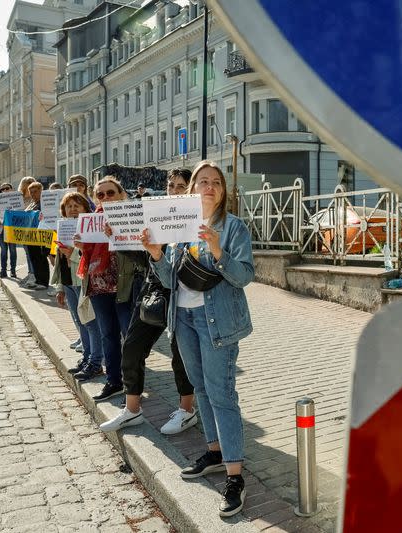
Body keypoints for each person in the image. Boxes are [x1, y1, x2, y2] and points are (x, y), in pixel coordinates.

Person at [143, 160, 254, 517]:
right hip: (185, 319)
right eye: (202, 181)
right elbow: (168, 277)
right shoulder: (180, 224)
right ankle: (215, 452)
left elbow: (244, 276)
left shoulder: (233, 227)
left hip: (217, 321)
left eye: (216, 183)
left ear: (223, 191)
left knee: (222, 394)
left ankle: (235, 475)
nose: (209, 187)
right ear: (191, 189)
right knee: (201, 387)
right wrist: (157, 253)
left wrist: (219, 251)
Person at [100, 168, 197, 435]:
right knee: (132, 347)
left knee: (181, 355)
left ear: (190, 190)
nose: (174, 191)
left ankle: (187, 410)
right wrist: (118, 238)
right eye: (171, 186)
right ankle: (132, 411)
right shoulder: (155, 215)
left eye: (180, 187)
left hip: (184, 291)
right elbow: (145, 261)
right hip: (154, 289)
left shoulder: (195, 218)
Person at [75, 176, 145, 400]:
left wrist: (118, 236)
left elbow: (141, 253)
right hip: (98, 287)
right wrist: (80, 246)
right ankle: (113, 381)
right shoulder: (91, 220)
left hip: (125, 286)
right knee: (108, 336)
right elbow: (87, 256)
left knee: (130, 339)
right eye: (101, 194)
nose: (105, 197)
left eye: (110, 192)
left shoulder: (132, 216)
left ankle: (132, 387)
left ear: (121, 194)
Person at [51, 192, 103, 381]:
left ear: (85, 209)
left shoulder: (90, 230)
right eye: (68, 206)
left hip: (83, 282)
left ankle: (96, 362)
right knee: (79, 322)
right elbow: (58, 259)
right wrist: (59, 287)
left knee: (90, 323)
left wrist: (73, 253)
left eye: (77, 206)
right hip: (68, 282)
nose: (72, 209)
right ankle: (87, 358)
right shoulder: (62, 227)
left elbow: (90, 259)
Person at [22, 182, 49, 290]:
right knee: (34, 258)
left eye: (35, 192)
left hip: (40, 235)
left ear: (41, 191)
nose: (33, 194)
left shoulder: (45, 203)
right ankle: (38, 280)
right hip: (30, 236)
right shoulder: (32, 203)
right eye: (31, 192)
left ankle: (43, 282)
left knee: (41, 258)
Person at [0, 182, 17, 278]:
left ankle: (13, 271)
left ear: (11, 189)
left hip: (11, 228)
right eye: (2, 189)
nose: (4, 190)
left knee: (12, 250)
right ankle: (3, 270)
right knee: (3, 250)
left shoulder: (16, 200)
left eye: (7, 188)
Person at [18, 176, 36, 285]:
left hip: (34, 230)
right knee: (27, 253)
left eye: (31, 182)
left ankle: (33, 274)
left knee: (33, 254)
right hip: (23, 229)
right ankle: (30, 273)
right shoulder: (19, 198)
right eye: (28, 183)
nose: (30, 185)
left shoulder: (35, 198)